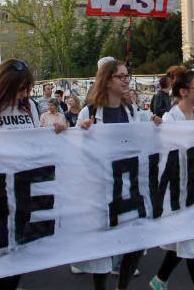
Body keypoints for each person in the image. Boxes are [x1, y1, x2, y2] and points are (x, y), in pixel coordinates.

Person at [0, 58, 62, 290]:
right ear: (6, 84)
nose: (25, 92)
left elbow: (36, 141)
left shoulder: (28, 108)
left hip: (25, 192)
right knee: (4, 259)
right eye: (21, 87)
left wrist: (57, 132)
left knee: (19, 258)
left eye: (27, 87)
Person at [75, 59, 144, 290]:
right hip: (101, 189)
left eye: (127, 75)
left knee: (136, 243)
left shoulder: (131, 110)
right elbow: (75, 151)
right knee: (103, 248)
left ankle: (121, 287)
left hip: (127, 187)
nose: (126, 80)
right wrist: (80, 133)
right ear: (107, 80)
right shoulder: (90, 111)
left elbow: (144, 140)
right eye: (120, 76)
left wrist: (155, 123)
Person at [148, 69, 194, 290]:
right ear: (183, 92)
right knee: (190, 239)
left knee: (189, 240)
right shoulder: (170, 118)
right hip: (180, 190)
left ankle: (159, 279)